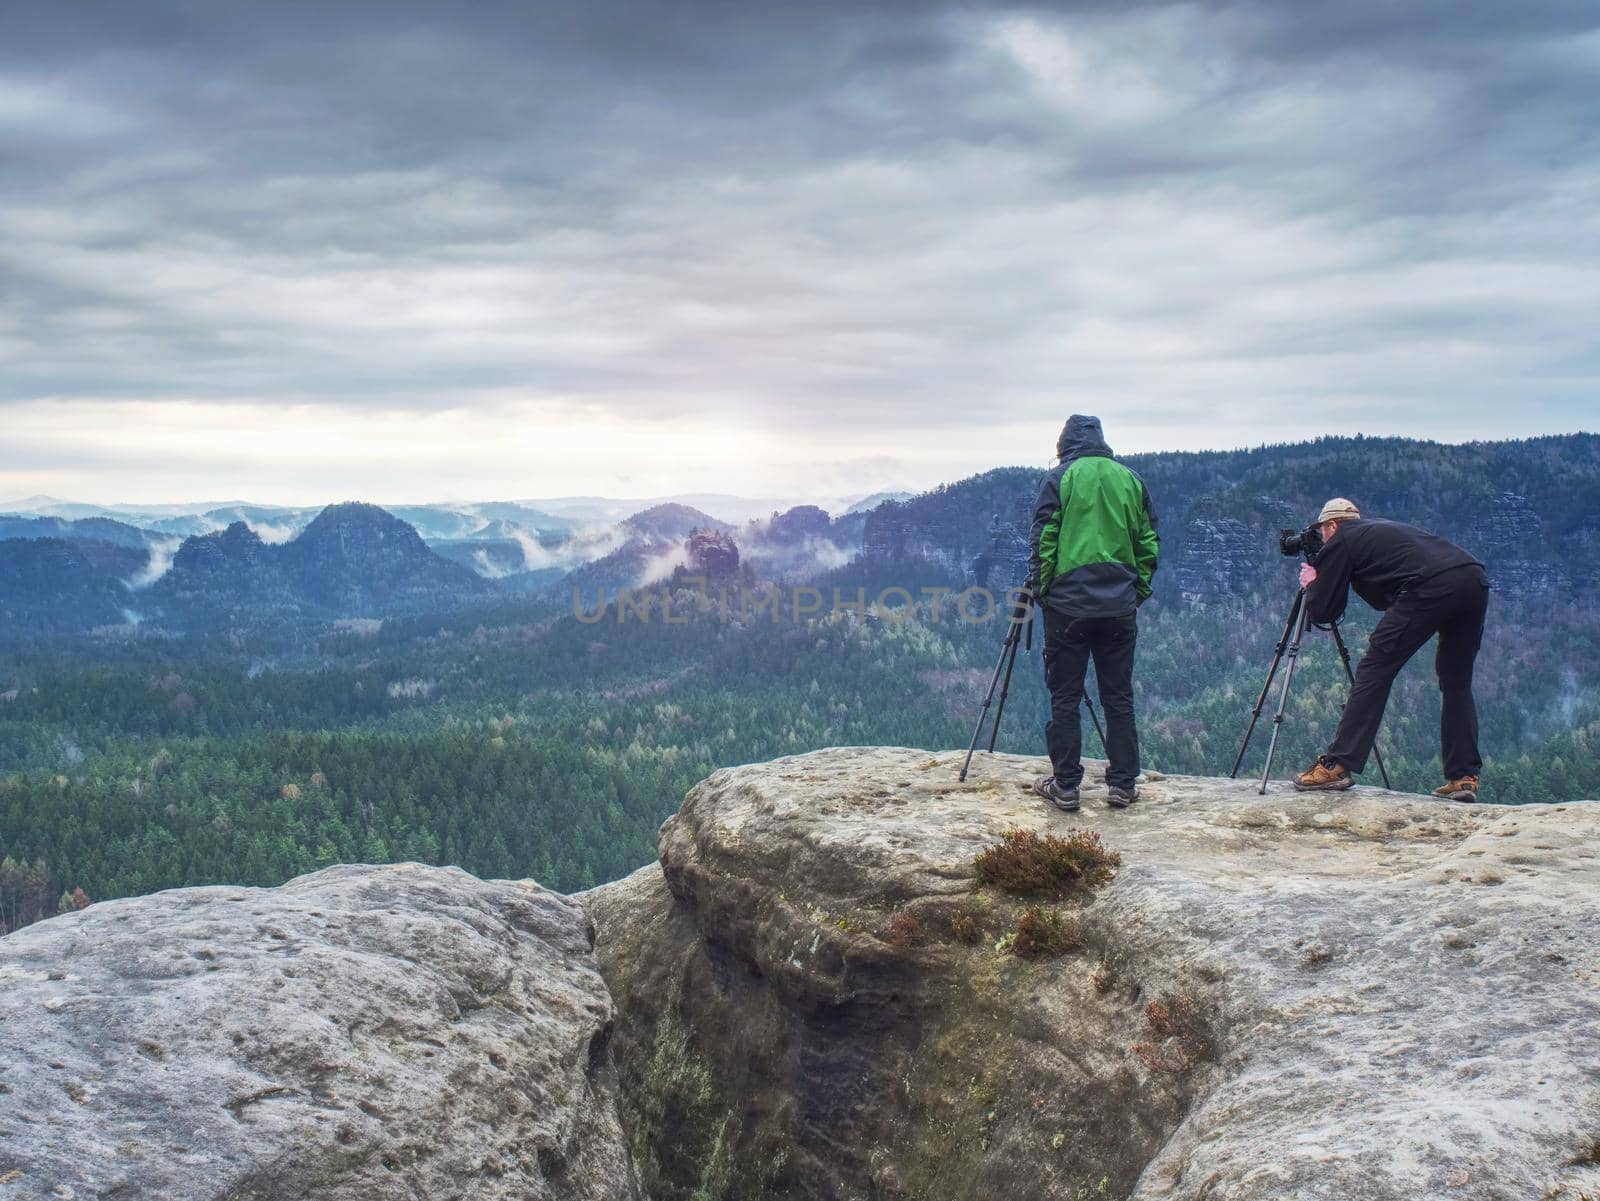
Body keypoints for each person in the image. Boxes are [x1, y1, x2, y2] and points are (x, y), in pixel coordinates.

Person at [1292, 498, 1489, 800]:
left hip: (1430, 586)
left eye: (1323, 533)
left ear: (1332, 525)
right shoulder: (1377, 530)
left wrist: (1314, 582)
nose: (1323, 540)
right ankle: (1463, 777)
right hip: (1473, 578)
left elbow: (1323, 612)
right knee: (1456, 680)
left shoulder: (1342, 538)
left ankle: (1336, 764)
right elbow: (1385, 598)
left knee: (1375, 669)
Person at [1024, 415, 1160, 812]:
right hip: (1119, 606)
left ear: (1063, 445)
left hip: (1067, 607)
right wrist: (1136, 592)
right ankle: (1123, 785)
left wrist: (1043, 591)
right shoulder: (1130, 480)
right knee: (1118, 696)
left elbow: (1044, 540)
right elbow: (1148, 542)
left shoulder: (1058, 479)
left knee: (1064, 696)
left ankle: (1065, 785)